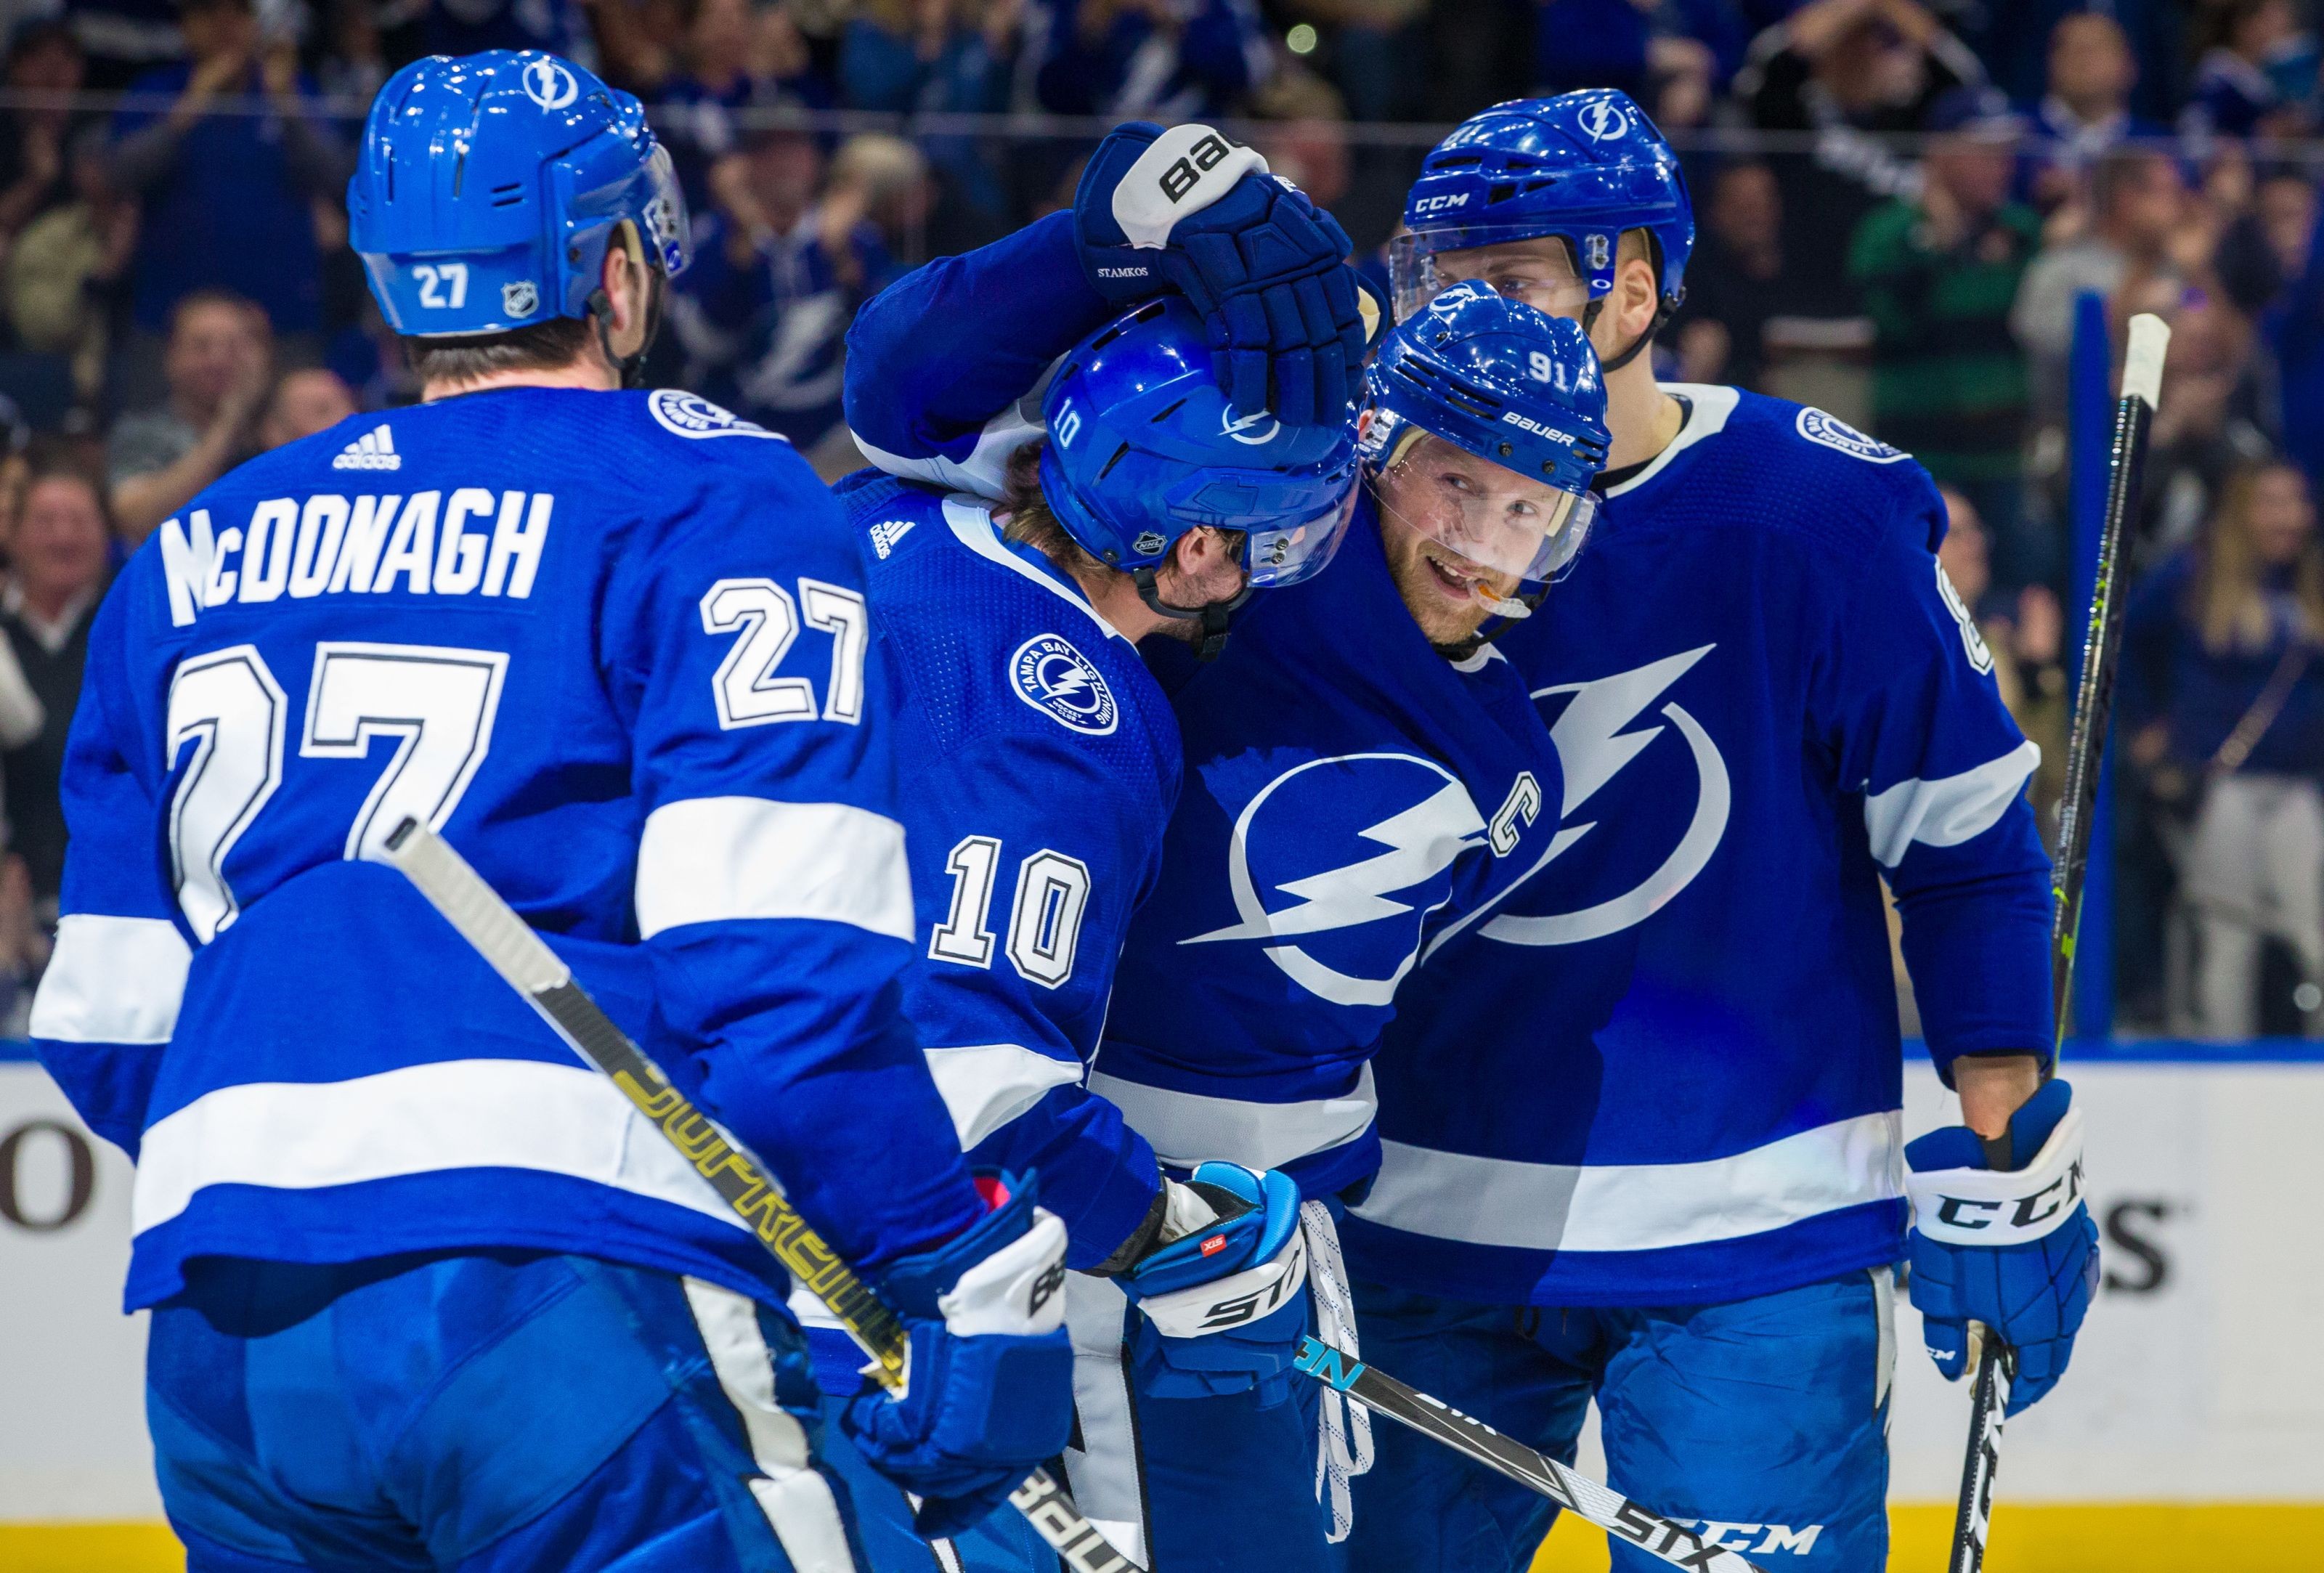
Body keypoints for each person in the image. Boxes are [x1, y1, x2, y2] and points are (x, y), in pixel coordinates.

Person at [30, 49, 1073, 1572]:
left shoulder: (195, 543)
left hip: (224, 1338)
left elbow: (116, 1035)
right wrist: (942, 1253)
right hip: (560, 1295)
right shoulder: (709, 492)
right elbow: (780, 973)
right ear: (615, 268)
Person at [841, 120, 1610, 1572]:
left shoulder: (916, 521)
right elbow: (986, 1068)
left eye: (1531, 507)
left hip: (1107, 1209)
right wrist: (1103, 234)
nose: (1486, 534)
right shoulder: (1092, 701)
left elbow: (898, 400)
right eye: (1452, 482)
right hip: (1065, 1205)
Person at [1350, 88, 2092, 1572]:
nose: (1454, 319)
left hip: (1754, 1242)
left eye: (1509, 281)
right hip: (1413, 1230)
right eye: (1433, 280)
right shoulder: (1356, 516)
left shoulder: (1815, 514)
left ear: (1632, 284)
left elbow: (1962, 843)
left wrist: (2003, 1139)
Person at [826, 287, 1362, 1572]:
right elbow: (973, 1077)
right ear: (1188, 551)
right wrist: (1160, 1227)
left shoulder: (893, 511)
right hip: (840, 1264)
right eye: (1268, 532)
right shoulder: (1071, 721)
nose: (1275, 561)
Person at [2123, 460, 2324, 1037]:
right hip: (2223, 786)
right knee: (2227, 931)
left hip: (2298, 785)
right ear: (2241, 511)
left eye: (2298, 502)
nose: (2290, 518)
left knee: (2313, 932)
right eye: (2273, 502)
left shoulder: (2309, 582)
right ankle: (2220, 1056)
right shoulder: (2195, 575)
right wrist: (2147, 725)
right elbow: (2126, 638)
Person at [1848, 86, 2042, 585]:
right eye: (1983, 150)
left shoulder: (2022, 233)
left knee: (2013, 590)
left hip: (2002, 457)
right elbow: (1893, 320)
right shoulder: (1889, 233)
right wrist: (1938, 246)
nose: (2000, 165)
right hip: (1922, 454)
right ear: (1940, 152)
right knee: (1920, 584)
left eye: (2005, 152)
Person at [107, 0, 352, 350]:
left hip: (280, 315)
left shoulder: (291, 88)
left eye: (239, 11)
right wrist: (191, 105)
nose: (225, 23)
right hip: (172, 317)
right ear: (186, 25)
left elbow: (334, 177)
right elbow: (121, 175)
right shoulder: (158, 88)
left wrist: (286, 104)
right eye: (209, 11)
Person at [0, 455, 109, 908]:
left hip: (110, 896)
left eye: (79, 521)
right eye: (45, 521)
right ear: (13, 534)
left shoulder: (134, 631)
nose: (64, 537)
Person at [105, 288, 270, 543]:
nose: (217, 360)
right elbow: (136, 520)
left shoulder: (281, 429)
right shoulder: (140, 433)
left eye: (232, 347)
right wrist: (227, 425)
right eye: (201, 347)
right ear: (171, 357)